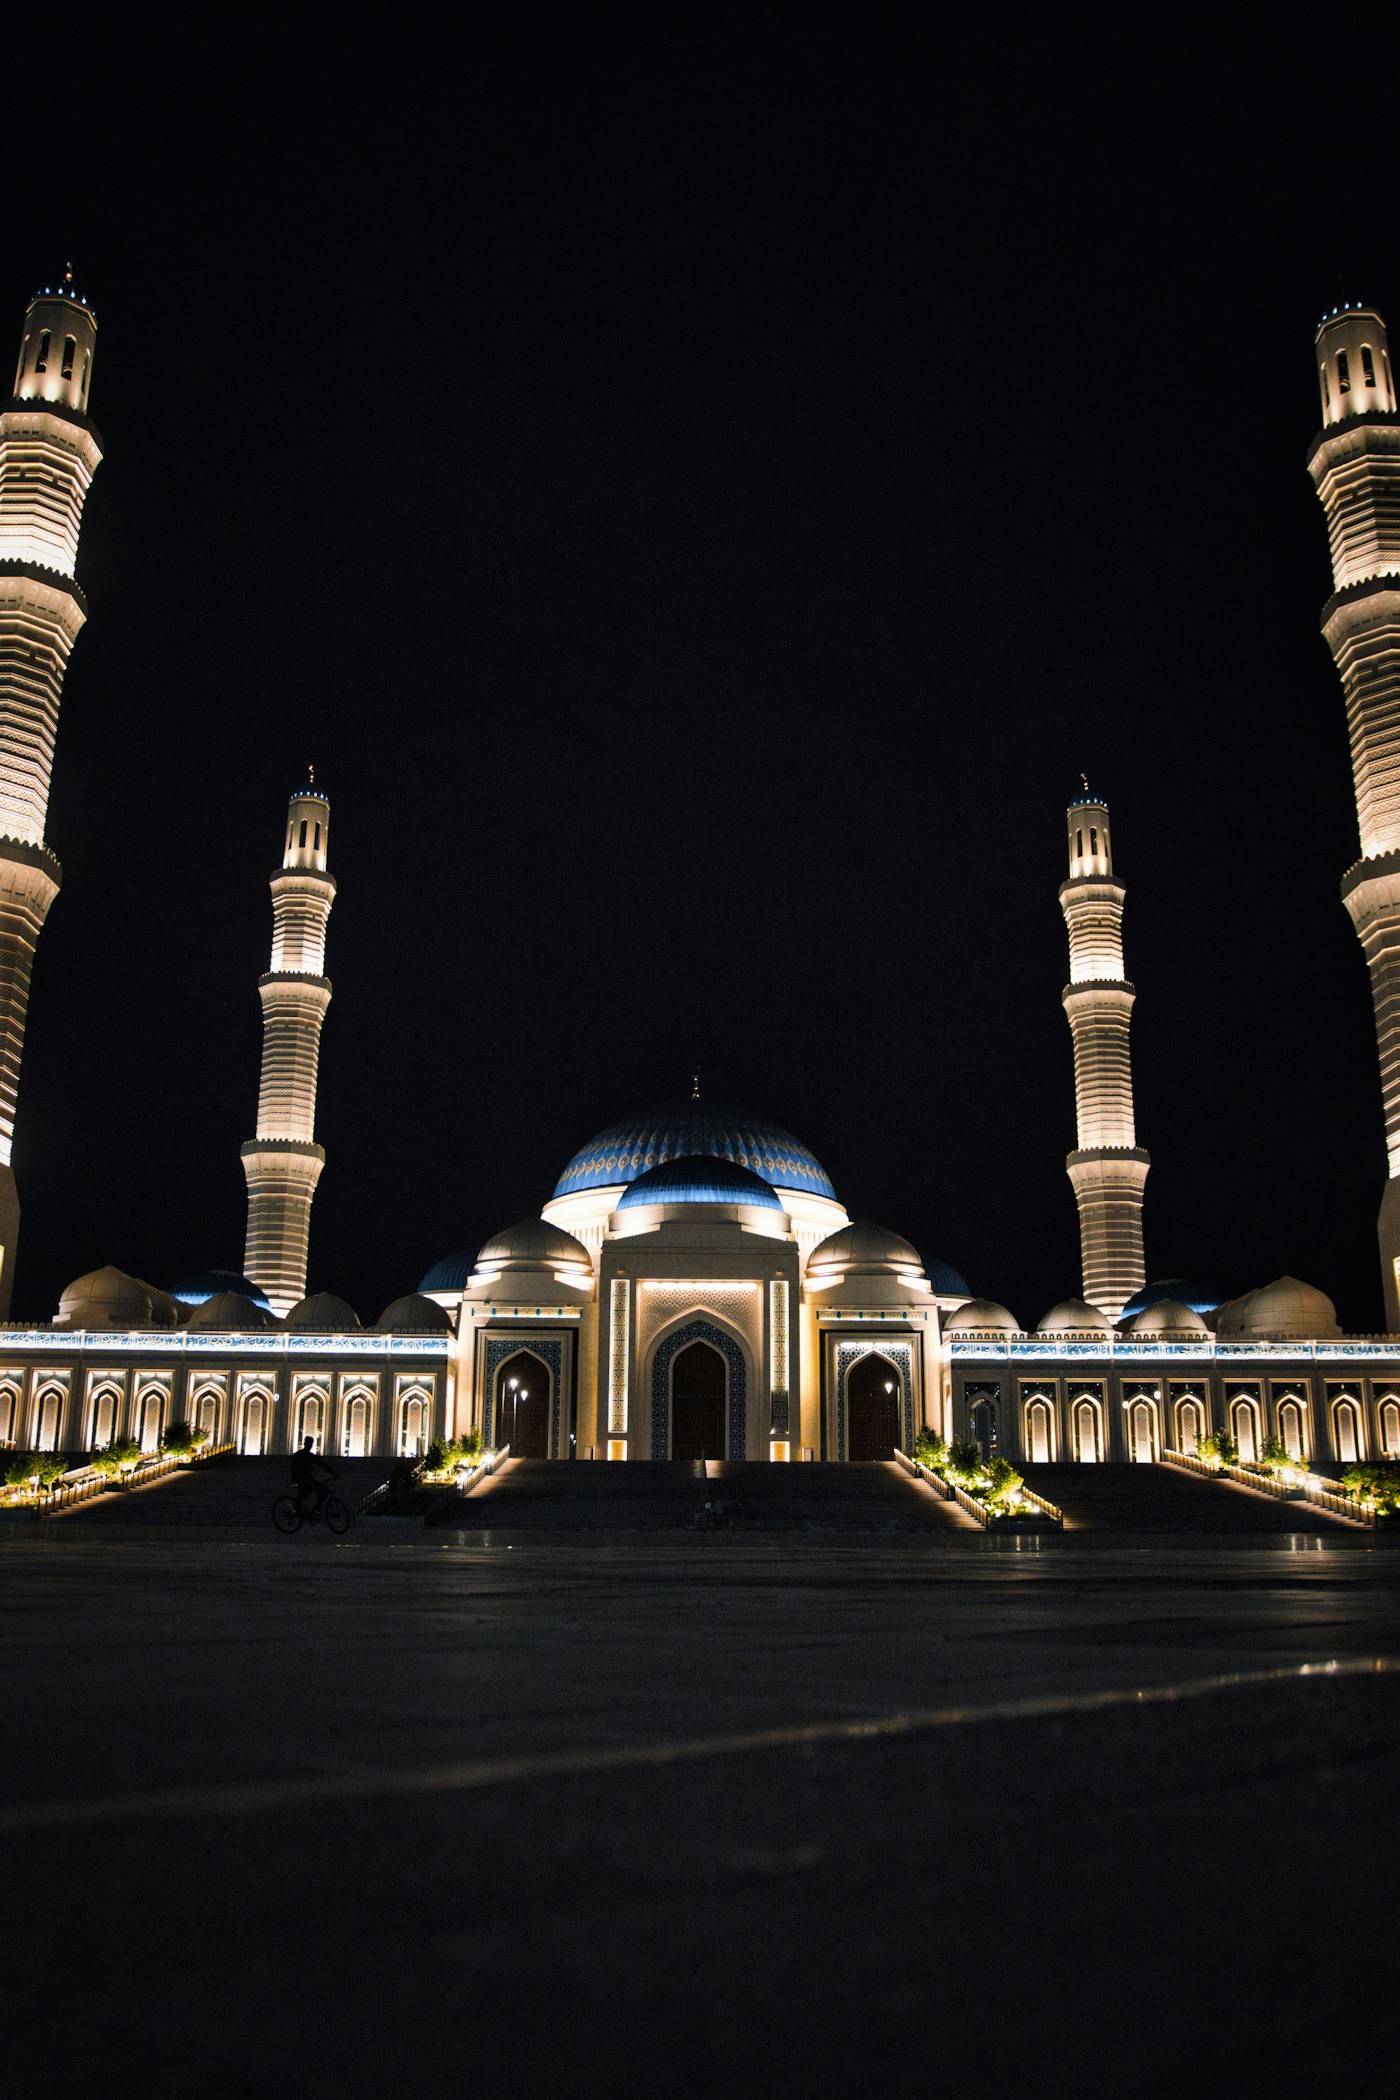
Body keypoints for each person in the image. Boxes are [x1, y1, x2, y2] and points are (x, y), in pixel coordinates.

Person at [289, 1435, 337, 1515]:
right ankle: (316, 1510)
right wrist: (333, 1473)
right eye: (309, 1444)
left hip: (301, 1479)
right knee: (322, 1491)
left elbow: (322, 1464)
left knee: (306, 1493)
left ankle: (296, 1507)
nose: (310, 1446)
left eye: (310, 1444)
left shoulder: (300, 1454)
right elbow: (322, 1464)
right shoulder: (307, 1455)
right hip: (302, 1480)